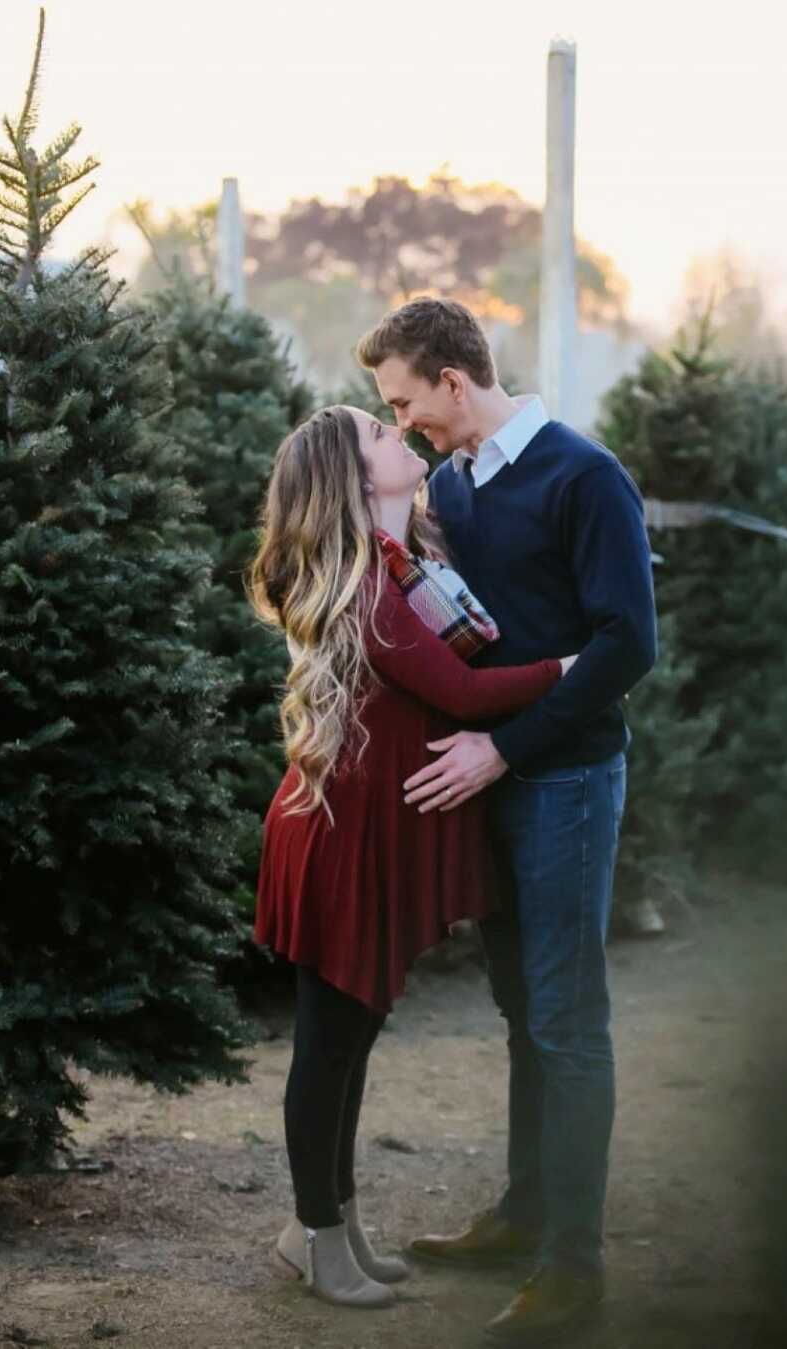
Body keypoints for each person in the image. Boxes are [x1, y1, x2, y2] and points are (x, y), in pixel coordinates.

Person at [356, 299, 657, 1344]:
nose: (402, 423)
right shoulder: (448, 484)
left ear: (453, 378)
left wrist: (508, 748)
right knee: (523, 1006)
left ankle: (574, 1268)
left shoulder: (584, 475)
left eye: (406, 401)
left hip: (565, 779)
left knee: (568, 1018)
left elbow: (629, 645)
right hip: (489, 781)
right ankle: (524, 1214)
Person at [247, 404, 574, 1311]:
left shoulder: (405, 562)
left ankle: (329, 1223)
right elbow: (461, 690)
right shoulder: (362, 585)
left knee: (353, 1037)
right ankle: (316, 1233)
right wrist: (573, 668)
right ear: (357, 480)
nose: (406, 440)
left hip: (369, 829)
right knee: (330, 1044)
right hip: (339, 838)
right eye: (383, 437)